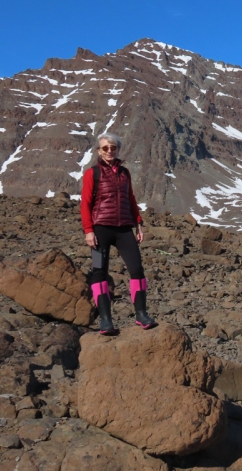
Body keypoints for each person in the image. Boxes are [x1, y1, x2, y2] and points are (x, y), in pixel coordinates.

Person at [80, 132, 156, 334]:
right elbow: (85, 203)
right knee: (99, 271)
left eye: (113, 147)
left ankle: (141, 315)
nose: (109, 151)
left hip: (124, 229)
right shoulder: (92, 173)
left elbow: (130, 199)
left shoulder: (125, 173)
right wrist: (89, 230)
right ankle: (105, 320)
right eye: (105, 148)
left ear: (117, 150)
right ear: (99, 151)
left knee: (137, 269)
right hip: (100, 229)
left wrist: (138, 223)